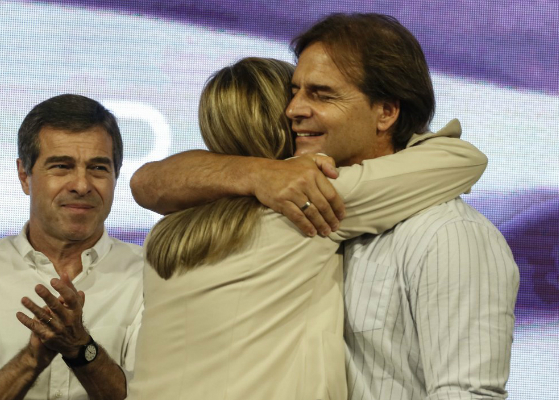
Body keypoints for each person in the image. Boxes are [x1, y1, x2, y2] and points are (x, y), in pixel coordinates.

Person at [130, 13, 519, 400]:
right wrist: (258, 173)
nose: (293, 109)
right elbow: (462, 158)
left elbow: (466, 392)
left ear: (386, 111)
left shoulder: (447, 234)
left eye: (321, 94)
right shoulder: (299, 209)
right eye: (294, 92)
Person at [0, 94, 144, 400]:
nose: (82, 185)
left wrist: (82, 350)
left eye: (98, 168)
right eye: (62, 166)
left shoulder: (151, 275)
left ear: (116, 176)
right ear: (24, 176)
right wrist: (31, 360)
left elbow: (157, 394)